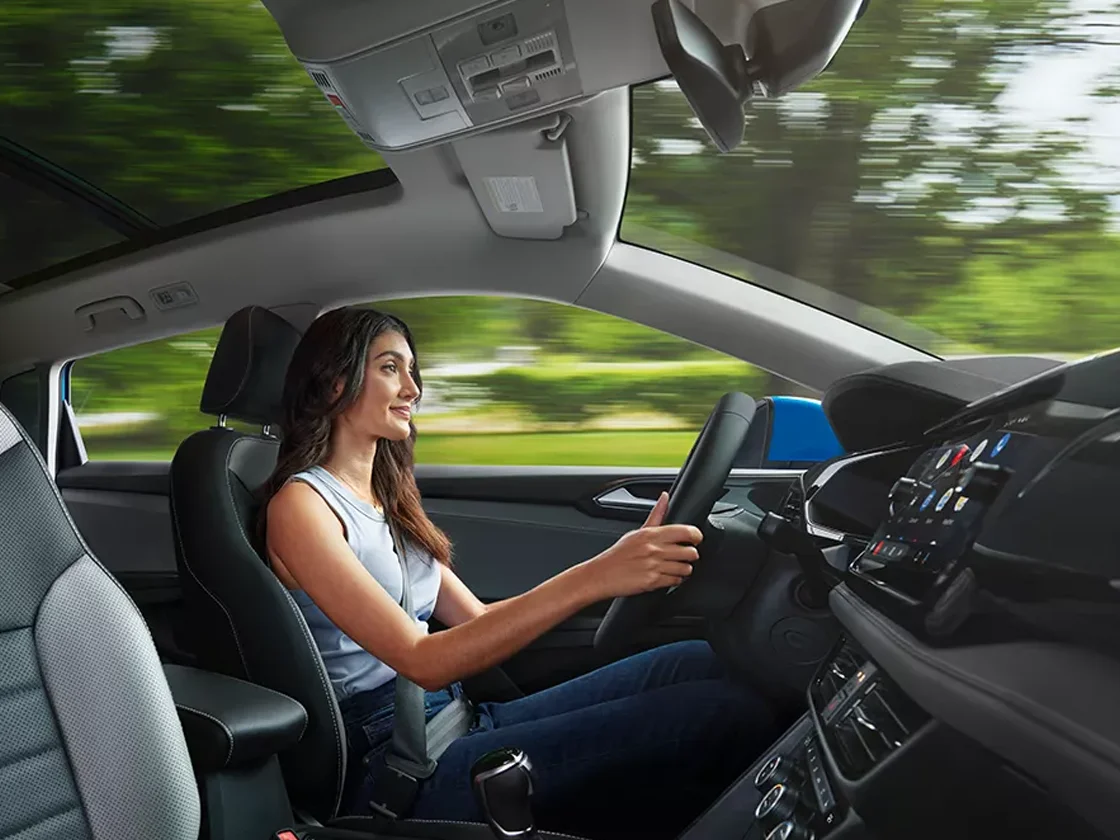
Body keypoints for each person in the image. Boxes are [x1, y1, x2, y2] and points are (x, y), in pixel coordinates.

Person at [259, 306, 778, 839]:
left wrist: (620, 568)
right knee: (723, 714)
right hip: (398, 764)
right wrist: (599, 575)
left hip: (453, 719)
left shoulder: (385, 499)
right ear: (335, 382)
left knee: (694, 660)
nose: (412, 388)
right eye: (390, 368)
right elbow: (422, 660)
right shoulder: (302, 506)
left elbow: (476, 620)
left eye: (412, 370)